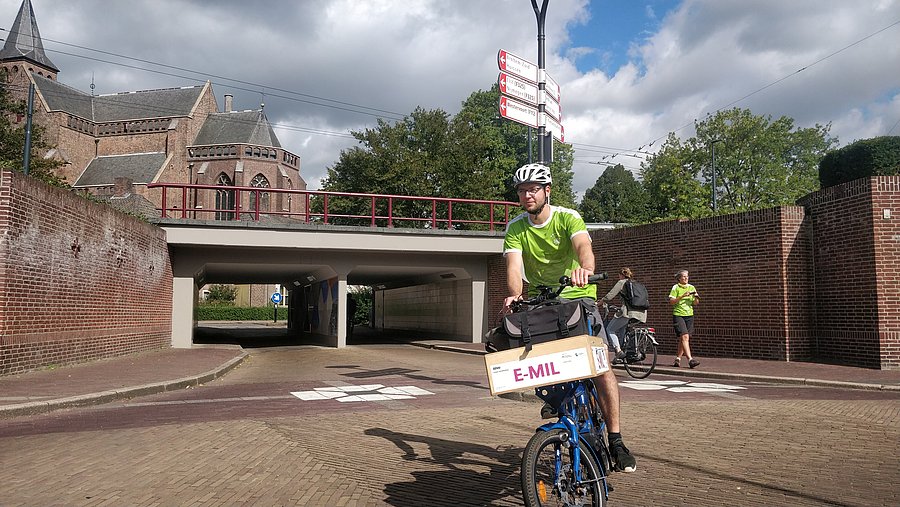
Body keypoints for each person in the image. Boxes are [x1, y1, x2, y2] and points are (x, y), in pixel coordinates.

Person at [502, 163, 637, 473]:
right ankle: (561, 401)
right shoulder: (516, 227)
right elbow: (513, 268)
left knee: (600, 366)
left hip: (577, 298)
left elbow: (583, 247)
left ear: (547, 191)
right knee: (540, 362)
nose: (527, 195)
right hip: (543, 301)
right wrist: (514, 293)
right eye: (522, 191)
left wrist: (584, 271)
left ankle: (616, 439)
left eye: (533, 189)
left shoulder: (567, 217)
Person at [601, 267, 648, 361]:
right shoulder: (638, 284)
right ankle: (623, 354)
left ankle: (618, 351)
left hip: (628, 313)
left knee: (610, 329)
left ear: (621, 275)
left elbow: (610, 296)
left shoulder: (622, 282)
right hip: (642, 313)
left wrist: (599, 302)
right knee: (622, 328)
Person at [669, 269, 700, 368]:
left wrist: (696, 298)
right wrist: (682, 296)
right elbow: (672, 301)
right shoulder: (675, 287)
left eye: (687, 276)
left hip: (689, 315)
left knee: (684, 338)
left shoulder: (691, 287)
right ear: (679, 278)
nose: (686, 278)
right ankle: (690, 360)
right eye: (684, 276)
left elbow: (695, 303)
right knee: (685, 337)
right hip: (679, 314)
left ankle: (678, 359)